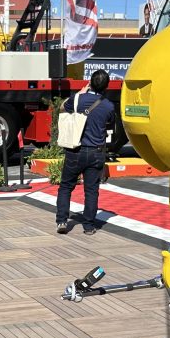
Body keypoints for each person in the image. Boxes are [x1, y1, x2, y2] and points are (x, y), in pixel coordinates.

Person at [55, 69, 115, 235]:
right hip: (96, 152)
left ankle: (61, 221)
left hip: (75, 150)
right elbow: (110, 124)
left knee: (66, 186)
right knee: (91, 190)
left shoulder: (78, 99)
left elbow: (61, 108)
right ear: (106, 86)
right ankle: (88, 226)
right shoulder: (108, 106)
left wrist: (80, 93)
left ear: (90, 82)